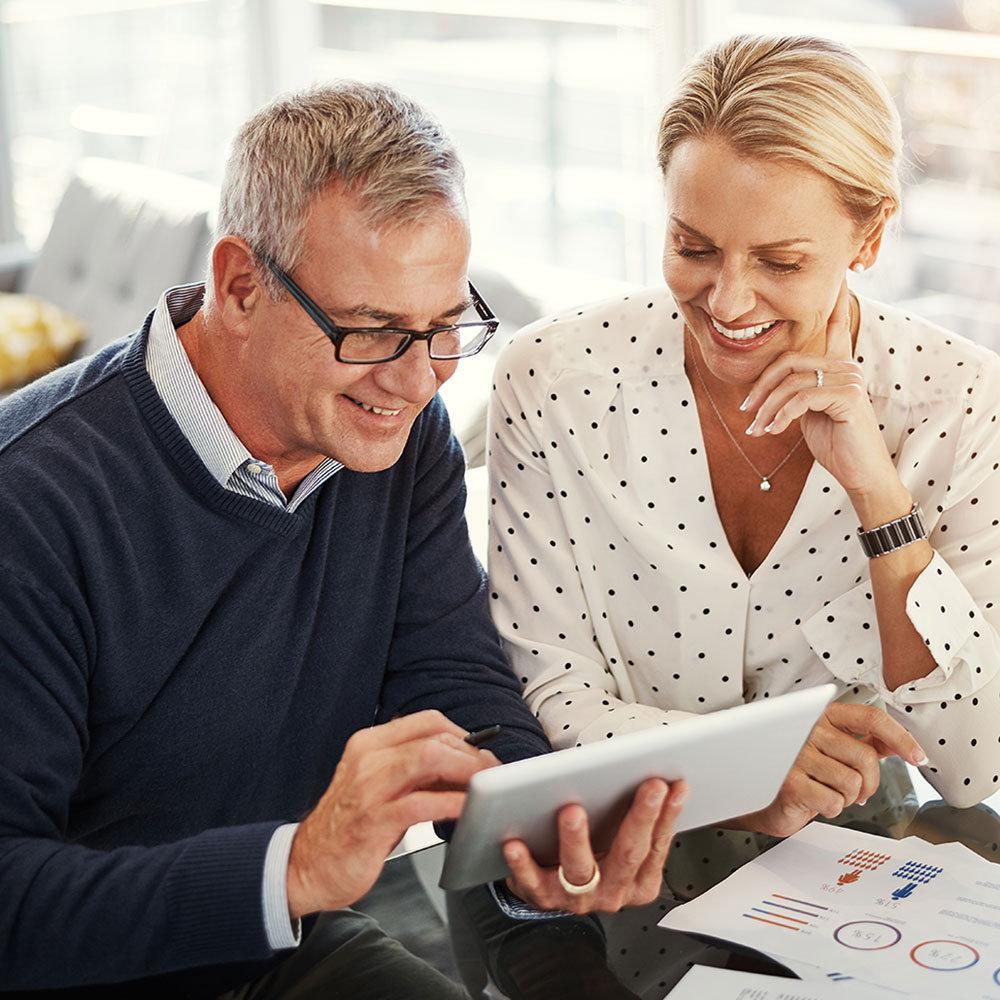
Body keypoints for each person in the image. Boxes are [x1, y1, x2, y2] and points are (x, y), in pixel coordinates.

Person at [0, 83, 686, 998]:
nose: (416, 381)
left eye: (445, 328)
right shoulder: (31, 504)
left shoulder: (396, 444)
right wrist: (294, 867)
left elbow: (454, 685)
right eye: (372, 332)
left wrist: (543, 838)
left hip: (277, 948)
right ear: (240, 283)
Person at [487, 33, 1000, 995]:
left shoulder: (959, 402)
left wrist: (879, 496)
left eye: (781, 260)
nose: (726, 299)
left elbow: (977, 760)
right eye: (692, 247)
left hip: (854, 910)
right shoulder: (555, 380)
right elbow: (543, 693)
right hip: (590, 903)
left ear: (871, 236)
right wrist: (743, 769)